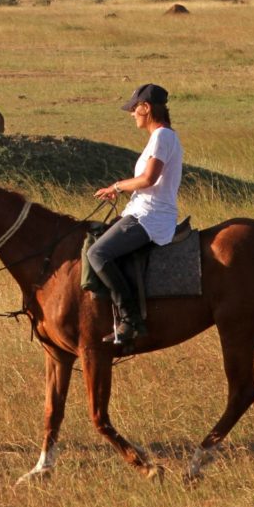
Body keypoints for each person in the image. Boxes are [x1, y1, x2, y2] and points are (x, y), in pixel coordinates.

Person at [89, 83, 183, 345]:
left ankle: (131, 320)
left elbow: (148, 179)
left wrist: (116, 187)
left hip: (151, 217)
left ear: (146, 107)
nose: (132, 114)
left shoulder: (163, 136)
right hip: (141, 212)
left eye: (134, 108)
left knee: (97, 253)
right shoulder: (160, 137)